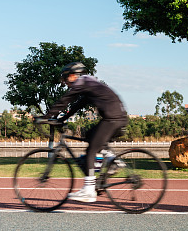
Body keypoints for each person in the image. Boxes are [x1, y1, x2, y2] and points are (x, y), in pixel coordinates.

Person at [37, 62, 129, 203]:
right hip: (115, 117)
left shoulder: (82, 83)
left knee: (91, 149)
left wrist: (46, 117)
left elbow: (65, 100)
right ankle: (112, 160)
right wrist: (63, 118)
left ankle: (89, 190)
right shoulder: (88, 83)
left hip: (112, 118)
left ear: (73, 75)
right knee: (90, 136)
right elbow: (77, 104)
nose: (65, 82)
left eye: (66, 78)